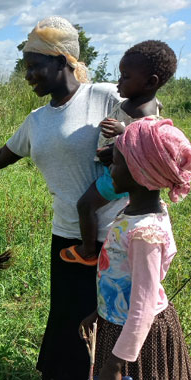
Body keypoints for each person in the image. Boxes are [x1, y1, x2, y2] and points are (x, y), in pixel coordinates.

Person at [0, 16, 128, 380]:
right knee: (68, 313)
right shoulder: (37, 121)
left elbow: (155, 132)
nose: (28, 75)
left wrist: (125, 143)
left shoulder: (105, 97)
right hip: (67, 234)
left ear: (63, 60)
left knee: (114, 314)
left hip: (116, 235)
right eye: (26, 67)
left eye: (35, 66)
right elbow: (2, 155)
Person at [79, 117, 191, 380]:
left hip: (139, 340)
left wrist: (114, 365)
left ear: (140, 173)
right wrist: (101, 310)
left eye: (116, 163)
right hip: (118, 326)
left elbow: (143, 306)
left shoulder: (145, 234)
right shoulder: (135, 211)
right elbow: (124, 279)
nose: (111, 170)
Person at [60, 40, 177, 266]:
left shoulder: (145, 111)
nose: (119, 81)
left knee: (85, 205)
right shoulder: (138, 102)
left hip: (119, 174)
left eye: (125, 77)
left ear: (150, 82)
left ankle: (87, 251)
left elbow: (146, 141)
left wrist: (122, 132)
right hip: (116, 167)